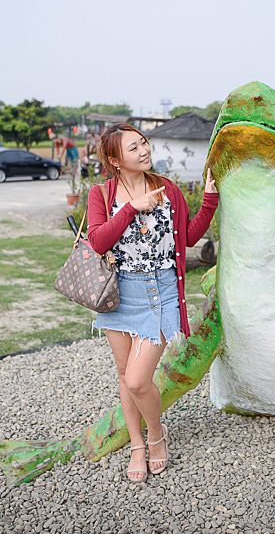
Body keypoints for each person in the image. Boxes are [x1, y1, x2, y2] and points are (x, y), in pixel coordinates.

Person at [85, 123, 218, 483]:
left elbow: (188, 237)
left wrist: (209, 200)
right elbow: (98, 241)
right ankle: (137, 446)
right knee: (125, 377)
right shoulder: (102, 193)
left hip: (160, 292)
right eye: (134, 147)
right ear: (115, 159)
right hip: (119, 293)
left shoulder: (168, 189)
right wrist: (131, 208)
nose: (144, 150)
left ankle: (156, 435)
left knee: (138, 379)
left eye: (144, 142)